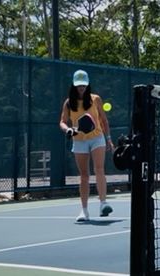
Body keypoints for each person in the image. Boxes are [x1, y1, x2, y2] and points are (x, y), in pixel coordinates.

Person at [59, 69, 115, 222]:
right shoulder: (69, 103)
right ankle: (84, 211)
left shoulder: (96, 99)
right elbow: (62, 122)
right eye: (79, 85)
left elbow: (104, 120)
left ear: (87, 85)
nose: (81, 88)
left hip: (97, 138)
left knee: (99, 169)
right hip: (79, 140)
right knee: (84, 175)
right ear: (74, 86)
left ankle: (103, 203)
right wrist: (68, 129)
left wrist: (108, 138)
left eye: (83, 85)